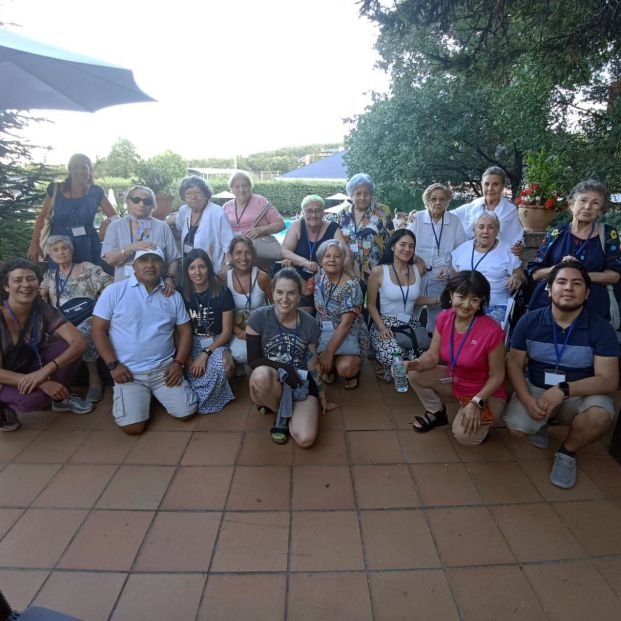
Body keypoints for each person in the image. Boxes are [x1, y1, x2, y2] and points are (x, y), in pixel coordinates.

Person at [505, 261, 619, 488]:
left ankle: (567, 452)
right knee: (516, 428)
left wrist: (564, 390)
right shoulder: (529, 321)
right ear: (549, 289)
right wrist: (527, 400)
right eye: (561, 282)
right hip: (536, 387)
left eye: (576, 284)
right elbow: (514, 365)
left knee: (600, 415)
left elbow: (608, 381)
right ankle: (544, 422)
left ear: (586, 294)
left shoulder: (600, 328)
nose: (568, 288)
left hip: (577, 393)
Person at [91, 247, 197, 434]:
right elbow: (98, 330)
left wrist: (178, 363)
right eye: (143, 260)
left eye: (155, 260)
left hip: (164, 371)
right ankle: (141, 397)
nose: (149, 265)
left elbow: (185, 330)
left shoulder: (172, 295)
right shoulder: (115, 291)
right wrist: (113, 366)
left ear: (163, 267)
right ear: (134, 266)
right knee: (134, 428)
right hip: (129, 373)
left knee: (186, 413)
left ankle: (152, 395)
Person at [406, 271, 507, 443]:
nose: (467, 305)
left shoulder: (492, 331)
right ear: (451, 295)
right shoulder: (444, 317)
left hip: (484, 392)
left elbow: (497, 376)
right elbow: (432, 355)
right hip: (455, 380)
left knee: (464, 437)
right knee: (414, 373)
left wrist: (476, 403)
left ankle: (482, 417)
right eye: (461, 297)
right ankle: (437, 413)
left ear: (482, 301)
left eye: (474, 300)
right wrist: (414, 363)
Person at [0, 258, 93, 432]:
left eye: (31, 279)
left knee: (68, 346)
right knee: (32, 400)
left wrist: (44, 372)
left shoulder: (42, 309)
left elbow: (79, 342)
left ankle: (59, 399)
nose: (26, 284)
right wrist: (43, 383)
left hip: (33, 365)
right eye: (18, 280)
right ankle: (4, 405)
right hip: (5, 377)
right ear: (6, 287)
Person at [246, 268, 326, 446]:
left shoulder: (309, 323)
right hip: (272, 379)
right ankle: (280, 414)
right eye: (279, 292)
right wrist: (286, 369)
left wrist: (321, 396)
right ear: (272, 293)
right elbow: (253, 360)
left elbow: (312, 362)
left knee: (305, 439)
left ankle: (286, 409)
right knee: (260, 376)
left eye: (291, 293)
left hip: (300, 382)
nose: (285, 298)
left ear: (299, 296)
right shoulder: (258, 317)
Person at [527, 180, 621, 323]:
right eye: (583, 200)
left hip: (593, 312)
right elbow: (535, 273)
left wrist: (580, 275)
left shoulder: (608, 234)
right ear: (571, 204)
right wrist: (558, 269)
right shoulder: (556, 233)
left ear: (601, 211)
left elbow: (614, 276)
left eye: (595, 203)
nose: (587, 206)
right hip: (548, 308)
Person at [40, 236, 110, 402]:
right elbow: (39, 295)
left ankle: (94, 378)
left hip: (91, 315)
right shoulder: (50, 275)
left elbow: (110, 287)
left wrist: (101, 306)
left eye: (64, 248)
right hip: (63, 320)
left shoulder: (87, 267)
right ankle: (57, 383)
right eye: (55, 250)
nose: (61, 252)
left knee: (83, 331)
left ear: (71, 250)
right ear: (50, 255)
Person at [367, 230, 433, 383]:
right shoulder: (379, 271)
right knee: (393, 355)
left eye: (411, 246)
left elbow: (414, 299)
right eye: (402, 245)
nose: (407, 249)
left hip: (409, 323)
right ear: (392, 246)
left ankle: (398, 369)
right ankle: (387, 368)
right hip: (385, 324)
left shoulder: (417, 269)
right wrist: (382, 328)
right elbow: (370, 305)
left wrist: (439, 300)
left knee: (419, 358)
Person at [27, 153, 118, 265]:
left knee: (89, 278)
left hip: (88, 245)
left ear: (89, 171)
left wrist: (107, 223)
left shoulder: (96, 192)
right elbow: (42, 217)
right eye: (75, 167)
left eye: (83, 167)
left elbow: (115, 217)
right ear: (70, 170)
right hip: (59, 247)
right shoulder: (56, 189)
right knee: (61, 278)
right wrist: (33, 245)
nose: (79, 171)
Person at [180, 249, 236, 413]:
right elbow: (178, 331)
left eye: (202, 267)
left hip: (216, 341)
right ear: (187, 271)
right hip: (191, 341)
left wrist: (205, 354)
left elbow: (226, 332)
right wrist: (188, 358)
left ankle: (226, 387)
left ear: (209, 268)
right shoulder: (181, 294)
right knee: (194, 372)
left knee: (224, 366)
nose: (197, 272)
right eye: (192, 268)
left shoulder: (223, 293)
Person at [409, 183, 467, 332]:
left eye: (442, 199)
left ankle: (434, 344)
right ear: (427, 201)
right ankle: (411, 341)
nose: (437, 202)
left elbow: (461, 251)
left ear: (448, 202)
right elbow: (404, 244)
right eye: (433, 199)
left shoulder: (454, 221)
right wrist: (416, 259)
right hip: (417, 273)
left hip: (442, 275)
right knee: (411, 309)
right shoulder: (417, 218)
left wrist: (451, 269)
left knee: (438, 312)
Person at [101, 185, 180, 295]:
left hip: (156, 289)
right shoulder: (115, 226)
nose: (141, 204)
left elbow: (173, 259)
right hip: (125, 288)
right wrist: (131, 248)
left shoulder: (162, 227)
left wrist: (169, 278)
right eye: (136, 200)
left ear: (152, 205)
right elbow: (110, 259)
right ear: (127, 202)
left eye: (147, 201)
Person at [451, 212, 525, 326]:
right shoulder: (462, 249)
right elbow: (454, 278)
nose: (485, 231)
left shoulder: (508, 250)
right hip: (465, 303)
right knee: (449, 324)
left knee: (484, 332)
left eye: (491, 227)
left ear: (497, 231)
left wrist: (516, 277)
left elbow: (521, 275)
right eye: (481, 227)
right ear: (474, 230)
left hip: (495, 304)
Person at [313, 239, 368, 389]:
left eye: (337, 256)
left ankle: (349, 369)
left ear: (343, 259)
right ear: (321, 259)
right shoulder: (319, 276)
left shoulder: (351, 286)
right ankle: (332, 363)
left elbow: (346, 324)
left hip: (348, 331)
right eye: (327, 256)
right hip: (324, 330)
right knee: (314, 364)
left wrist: (329, 353)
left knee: (345, 367)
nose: (331, 260)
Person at [281, 195, 350, 312]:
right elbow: (284, 250)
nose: (313, 215)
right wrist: (305, 263)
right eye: (309, 211)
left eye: (317, 211)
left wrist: (347, 276)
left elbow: (346, 254)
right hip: (300, 280)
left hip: (326, 278)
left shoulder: (333, 228)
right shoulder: (297, 225)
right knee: (300, 313)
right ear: (302, 212)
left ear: (323, 212)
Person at [337, 173, 394, 290]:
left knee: (374, 306)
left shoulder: (383, 211)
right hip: (349, 272)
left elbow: (392, 240)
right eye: (358, 193)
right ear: (351, 195)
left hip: (376, 271)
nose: (362, 197)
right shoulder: (342, 214)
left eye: (366, 193)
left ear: (371, 194)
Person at [221, 236, 272, 364]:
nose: (243, 258)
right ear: (231, 255)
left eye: (248, 253)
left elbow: (275, 306)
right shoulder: (223, 278)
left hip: (261, 329)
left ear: (253, 255)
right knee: (241, 354)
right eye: (238, 253)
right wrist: (237, 331)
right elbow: (219, 312)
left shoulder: (262, 277)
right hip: (235, 329)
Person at [452, 166, 524, 251]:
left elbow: (517, 237)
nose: (490, 188)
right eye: (486, 184)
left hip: (499, 256)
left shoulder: (510, 210)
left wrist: (519, 247)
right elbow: (448, 216)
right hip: (471, 256)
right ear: (482, 185)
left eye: (496, 184)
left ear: (503, 186)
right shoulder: (471, 207)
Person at [176, 176, 234, 274]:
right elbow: (179, 226)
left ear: (206, 194)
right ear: (183, 197)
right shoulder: (183, 210)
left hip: (213, 271)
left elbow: (229, 244)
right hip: (189, 270)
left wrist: (226, 266)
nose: (193, 197)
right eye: (188, 193)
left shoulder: (217, 213)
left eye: (198, 193)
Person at [222, 171, 285, 239]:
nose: (241, 190)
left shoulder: (260, 201)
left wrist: (263, 230)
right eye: (237, 187)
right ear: (231, 189)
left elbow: (281, 224)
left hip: (258, 248)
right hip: (234, 248)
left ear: (250, 186)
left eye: (245, 185)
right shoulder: (226, 207)